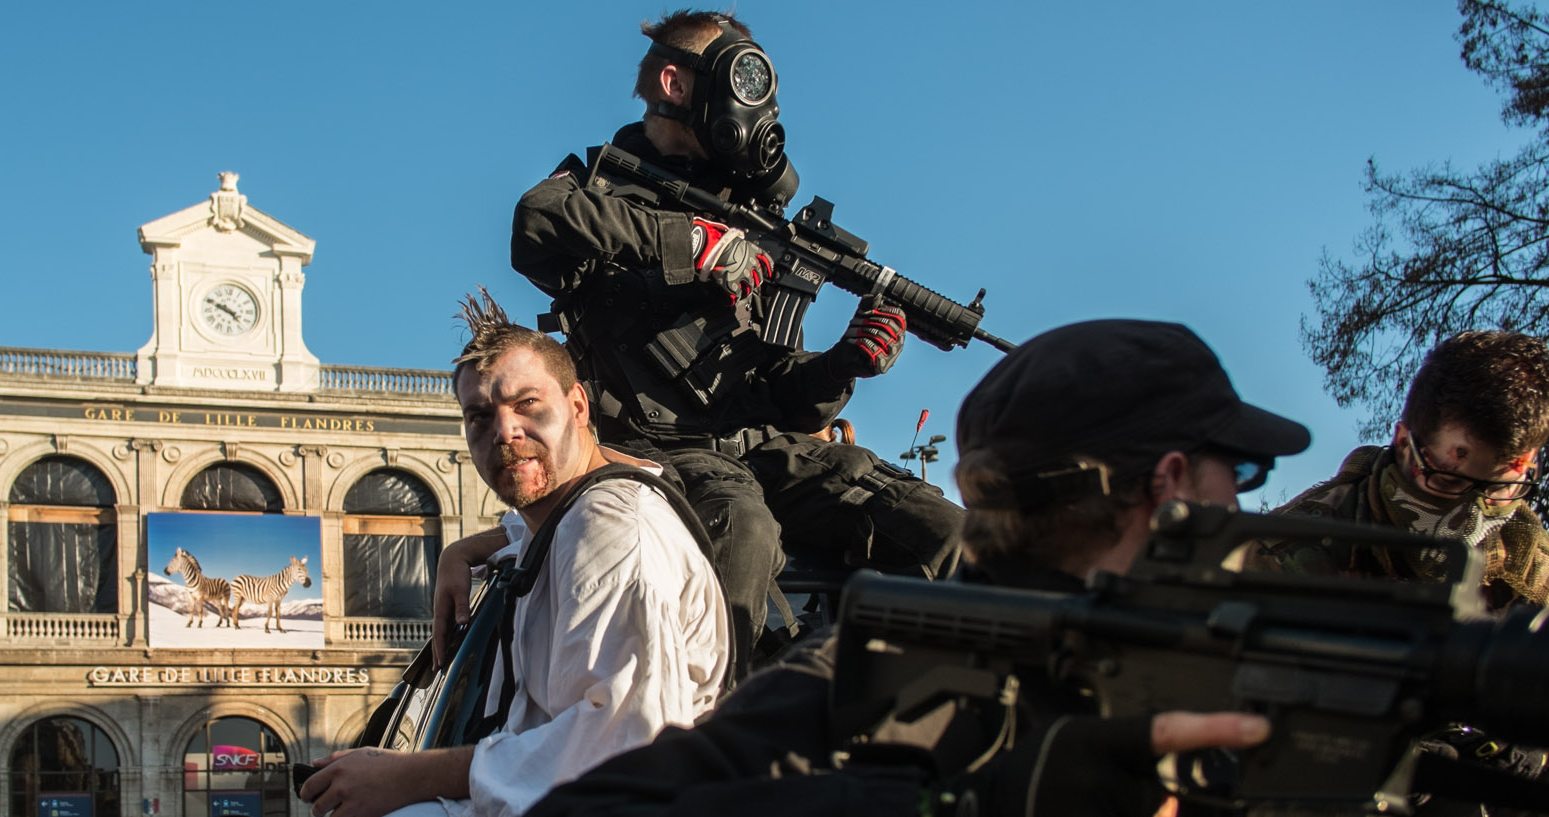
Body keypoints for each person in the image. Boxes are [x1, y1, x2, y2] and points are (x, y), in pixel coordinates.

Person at [525, 319, 1304, 817]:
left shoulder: (1258, 666)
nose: (1239, 504)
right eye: (1235, 472)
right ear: (1168, 487)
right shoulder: (886, 670)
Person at [507, 8, 963, 678]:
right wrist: (690, 243)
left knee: (940, 529)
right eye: (742, 80)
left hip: (757, 446)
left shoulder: (755, 218)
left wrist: (844, 364)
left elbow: (783, 397)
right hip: (650, 453)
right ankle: (715, 742)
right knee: (743, 530)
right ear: (676, 82)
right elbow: (534, 221)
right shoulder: (598, 189)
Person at [300, 292, 729, 817]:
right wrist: (459, 551)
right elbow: (522, 531)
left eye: (526, 404)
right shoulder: (561, 521)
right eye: (480, 416)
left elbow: (627, 744)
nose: (505, 432)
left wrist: (410, 775)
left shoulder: (613, 530)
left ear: (576, 406)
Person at [1248, 330, 1549, 613]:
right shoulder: (1285, 554)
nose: (1472, 518)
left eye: (1499, 489)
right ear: (1404, 443)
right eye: (1448, 480)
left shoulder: (1534, 567)